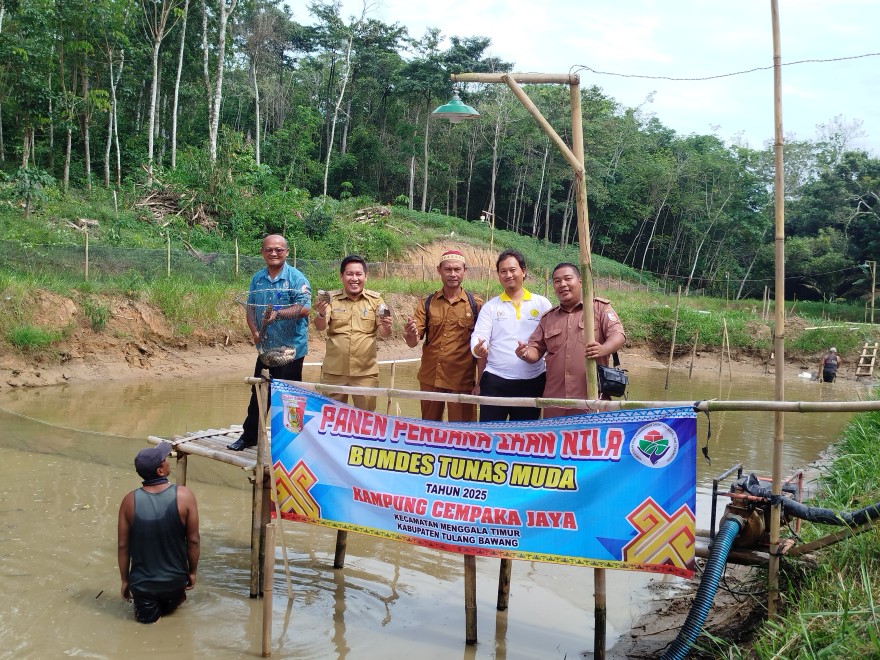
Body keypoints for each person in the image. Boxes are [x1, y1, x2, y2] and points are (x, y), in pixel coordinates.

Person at [228, 234, 311, 451]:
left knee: (289, 397)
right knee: (258, 393)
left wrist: (279, 314)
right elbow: (250, 308)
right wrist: (255, 331)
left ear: (287, 252)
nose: (274, 253)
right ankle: (249, 437)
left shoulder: (296, 278)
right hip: (266, 349)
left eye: (279, 250)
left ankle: (290, 443)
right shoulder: (257, 279)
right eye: (269, 249)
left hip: (290, 350)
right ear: (262, 252)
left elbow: (304, 308)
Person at [515, 263, 626, 417]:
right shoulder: (548, 318)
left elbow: (618, 335)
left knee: (591, 440)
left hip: (592, 399)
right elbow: (535, 350)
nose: (563, 284)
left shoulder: (599, 308)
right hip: (555, 401)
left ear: (580, 282)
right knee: (554, 440)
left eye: (568, 279)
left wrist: (603, 349)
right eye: (557, 281)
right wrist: (525, 353)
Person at [118, 442, 200, 624]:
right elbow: (193, 540)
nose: (168, 460)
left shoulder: (129, 502)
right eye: (164, 460)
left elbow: (123, 546)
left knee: (147, 629)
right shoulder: (185, 496)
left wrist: (125, 580)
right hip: (176, 581)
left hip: (143, 586)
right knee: (176, 623)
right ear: (160, 471)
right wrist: (192, 572)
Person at [470, 249, 552, 421]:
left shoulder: (542, 304)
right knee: (489, 436)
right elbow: (479, 336)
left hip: (532, 382)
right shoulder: (491, 307)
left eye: (512, 270)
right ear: (498, 276)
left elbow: (551, 342)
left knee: (523, 440)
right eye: (503, 271)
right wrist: (478, 349)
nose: (508, 275)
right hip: (495, 381)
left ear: (523, 271)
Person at [403, 250, 483, 422]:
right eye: (448, 269)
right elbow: (412, 342)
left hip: (461, 381)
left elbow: (482, 348)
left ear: (464, 271)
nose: (452, 274)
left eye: (457, 269)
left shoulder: (476, 305)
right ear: (439, 270)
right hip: (431, 379)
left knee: (462, 433)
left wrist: (480, 382)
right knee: (429, 430)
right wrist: (410, 334)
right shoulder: (427, 302)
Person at [314, 255, 392, 411]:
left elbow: (384, 333)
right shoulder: (331, 299)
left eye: (358, 274)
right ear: (341, 276)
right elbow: (320, 326)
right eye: (349, 274)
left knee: (365, 421)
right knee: (330, 419)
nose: (354, 278)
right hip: (334, 373)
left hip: (365, 374)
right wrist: (321, 314)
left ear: (366, 276)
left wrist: (387, 326)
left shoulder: (376, 300)